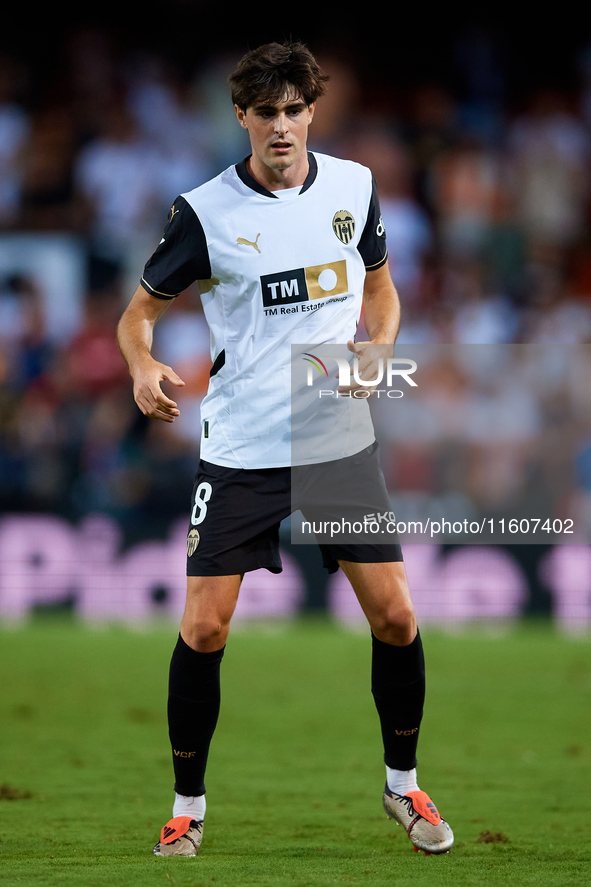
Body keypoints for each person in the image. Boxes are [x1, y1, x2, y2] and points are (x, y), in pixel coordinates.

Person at [116, 41, 454, 859]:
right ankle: (186, 807)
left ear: (312, 112)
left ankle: (402, 786)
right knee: (203, 630)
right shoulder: (203, 214)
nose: (280, 126)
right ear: (242, 116)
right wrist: (141, 365)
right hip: (241, 442)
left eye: (293, 109)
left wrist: (380, 343)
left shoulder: (353, 186)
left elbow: (379, 283)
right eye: (264, 112)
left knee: (398, 615)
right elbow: (138, 315)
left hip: (333, 433)